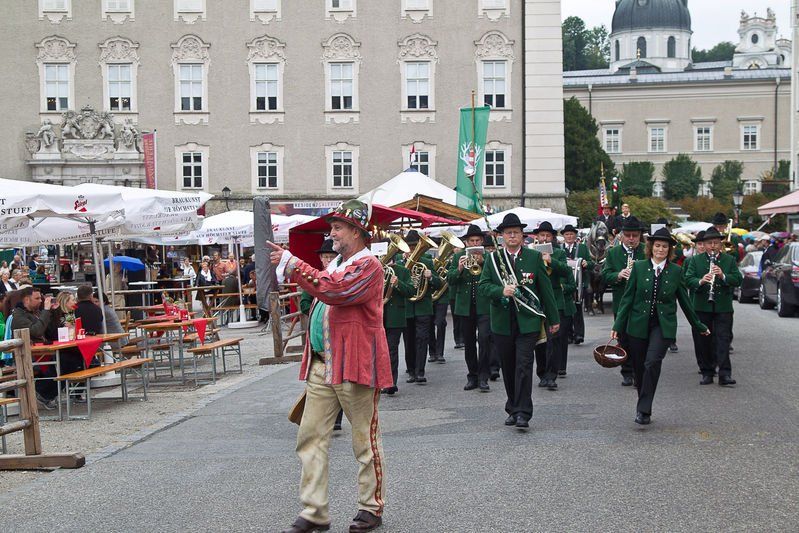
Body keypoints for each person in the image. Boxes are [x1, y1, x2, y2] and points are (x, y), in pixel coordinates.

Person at [269, 198, 390, 533]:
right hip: (323, 364)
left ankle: (371, 507)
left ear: (357, 231)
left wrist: (293, 263)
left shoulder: (369, 265)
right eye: (333, 227)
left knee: (364, 440)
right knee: (310, 437)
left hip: (355, 363)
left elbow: (335, 291)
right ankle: (314, 511)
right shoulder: (337, 262)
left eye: (337, 227)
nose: (332, 233)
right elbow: (326, 288)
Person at [611, 228, 710, 425]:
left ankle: (643, 410)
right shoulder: (639, 267)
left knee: (652, 362)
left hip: (663, 326)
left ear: (669, 250)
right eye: (657, 246)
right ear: (651, 247)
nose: (660, 249)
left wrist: (698, 325)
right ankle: (643, 402)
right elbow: (627, 299)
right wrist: (618, 325)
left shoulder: (676, 271)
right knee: (639, 368)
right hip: (637, 325)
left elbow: (685, 302)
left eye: (665, 246)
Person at [478, 213, 560, 429]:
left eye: (516, 232)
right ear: (502, 236)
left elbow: (545, 289)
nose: (512, 236)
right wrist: (500, 290)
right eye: (508, 233)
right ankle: (513, 408)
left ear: (523, 235)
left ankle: (523, 412)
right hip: (502, 322)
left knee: (524, 365)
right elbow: (483, 286)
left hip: (528, 321)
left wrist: (553, 318)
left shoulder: (534, 257)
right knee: (508, 366)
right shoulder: (493, 259)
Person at [685, 227, 742, 386]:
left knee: (723, 340)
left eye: (716, 243)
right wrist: (701, 281)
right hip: (701, 306)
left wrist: (723, 276)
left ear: (720, 244)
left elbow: (738, 279)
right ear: (704, 244)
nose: (712, 246)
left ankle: (725, 374)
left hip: (723, 307)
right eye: (709, 243)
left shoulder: (729, 260)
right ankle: (707, 372)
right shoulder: (695, 260)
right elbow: (688, 279)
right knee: (703, 340)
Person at [298, 239, 344, 430]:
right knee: (322, 378)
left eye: (331, 256)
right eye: (325, 257)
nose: (327, 260)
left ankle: (337, 418)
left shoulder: (342, 276)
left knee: (340, 377)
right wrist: (319, 310)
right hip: (319, 338)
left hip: (338, 336)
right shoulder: (315, 278)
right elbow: (304, 304)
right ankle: (325, 417)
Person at [448, 225, 492, 392]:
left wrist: (484, 262)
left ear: (482, 241)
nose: (474, 243)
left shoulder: (489, 257)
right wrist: (459, 269)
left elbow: (496, 277)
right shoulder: (458, 256)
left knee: (484, 340)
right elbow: (450, 279)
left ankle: (483, 377)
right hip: (465, 306)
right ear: (466, 243)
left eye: (477, 240)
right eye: (471, 241)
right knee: (469, 342)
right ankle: (472, 376)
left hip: (484, 305)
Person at [531, 221, 571, 391]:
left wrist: (551, 260)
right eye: (542, 235)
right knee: (540, 340)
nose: (545, 238)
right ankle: (542, 373)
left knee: (554, 339)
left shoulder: (559, 253)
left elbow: (567, 271)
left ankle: (551, 375)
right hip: (537, 301)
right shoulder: (531, 253)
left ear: (552, 238)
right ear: (537, 237)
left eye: (548, 235)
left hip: (555, 300)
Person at [402, 230, 440, 384]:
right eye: (409, 247)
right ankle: (411, 370)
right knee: (409, 340)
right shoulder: (399, 262)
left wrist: (431, 277)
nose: (412, 250)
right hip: (406, 307)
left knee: (422, 339)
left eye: (414, 247)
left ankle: (420, 372)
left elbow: (439, 284)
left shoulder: (427, 262)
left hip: (423, 306)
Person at [12, 287, 59, 409]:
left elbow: (52, 331)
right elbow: (37, 331)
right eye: (37, 298)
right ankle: (41, 395)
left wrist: (53, 311)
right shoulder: (18, 316)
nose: (40, 301)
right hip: (27, 357)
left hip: (41, 353)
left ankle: (44, 395)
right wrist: (46, 311)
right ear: (27, 300)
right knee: (62, 365)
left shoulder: (36, 312)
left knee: (69, 362)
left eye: (40, 298)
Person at [381, 241, 414, 396]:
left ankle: (390, 383)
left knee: (391, 350)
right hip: (376, 315)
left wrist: (398, 283)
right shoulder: (374, 269)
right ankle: (379, 381)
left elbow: (411, 291)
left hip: (395, 316)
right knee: (378, 351)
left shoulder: (403, 271)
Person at [561, 224, 592, 347]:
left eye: (572, 234)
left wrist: (586, 263)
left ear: (575, 236)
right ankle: (568, 334)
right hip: (565, 283)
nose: (569, 236)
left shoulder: (582, 247)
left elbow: (591, 263)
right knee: (566, 309)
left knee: (578, 308)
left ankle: (579, 334)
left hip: (579, 282)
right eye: (567, 234)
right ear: (563, 236)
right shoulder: (559, 248)